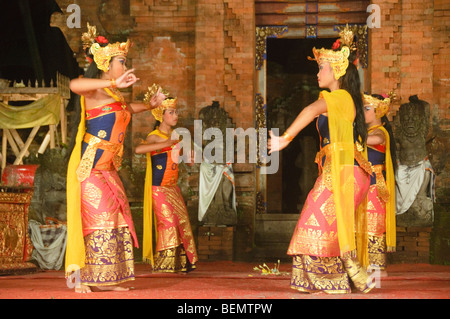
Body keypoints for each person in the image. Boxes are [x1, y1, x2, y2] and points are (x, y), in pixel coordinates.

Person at [268, 27, 374, 294]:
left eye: (322, 67)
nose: (317, 73)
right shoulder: (341, 100)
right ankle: (341, 276)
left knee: (313, 222)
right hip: (341, 171)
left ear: (337, 71)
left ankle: (334, 279)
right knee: (324, 224)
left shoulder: (338, 98)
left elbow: (310, 110)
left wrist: (286, 138)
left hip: (344, 173)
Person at [65, 23, 165, 293]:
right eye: (121, 61)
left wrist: (150, 106)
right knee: (98, 219)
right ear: (105, 64)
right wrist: (112, 82)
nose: (124, 66)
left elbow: (126, 108)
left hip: (108, 169)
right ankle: (82, 279)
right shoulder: (97, 89)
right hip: (90, 168)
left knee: (117, 218)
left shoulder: (112, 94)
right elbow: (75, 83)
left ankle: (106, 279)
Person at [136, 94, 198, 273]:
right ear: (160, 115)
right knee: (168, 222)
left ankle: (179, 263)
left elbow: (183, 160)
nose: (175, 115)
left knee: (182, 222)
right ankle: (165, 263)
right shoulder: (154, 136)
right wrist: (166, 143)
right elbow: (140, 149)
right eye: (171, 112)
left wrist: (189, 158)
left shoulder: (175, 136)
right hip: (159, 188)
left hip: (173, 188)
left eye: (176, 111)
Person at [363, 93, 397, 272]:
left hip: (375, 187)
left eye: (367, 109)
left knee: (373, 226)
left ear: (379, 112)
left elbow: (373, 141)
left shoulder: (380, 133)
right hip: (362, 184)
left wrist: (347, 134)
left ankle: (376, 270)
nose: (363, 112)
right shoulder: (366, 132)